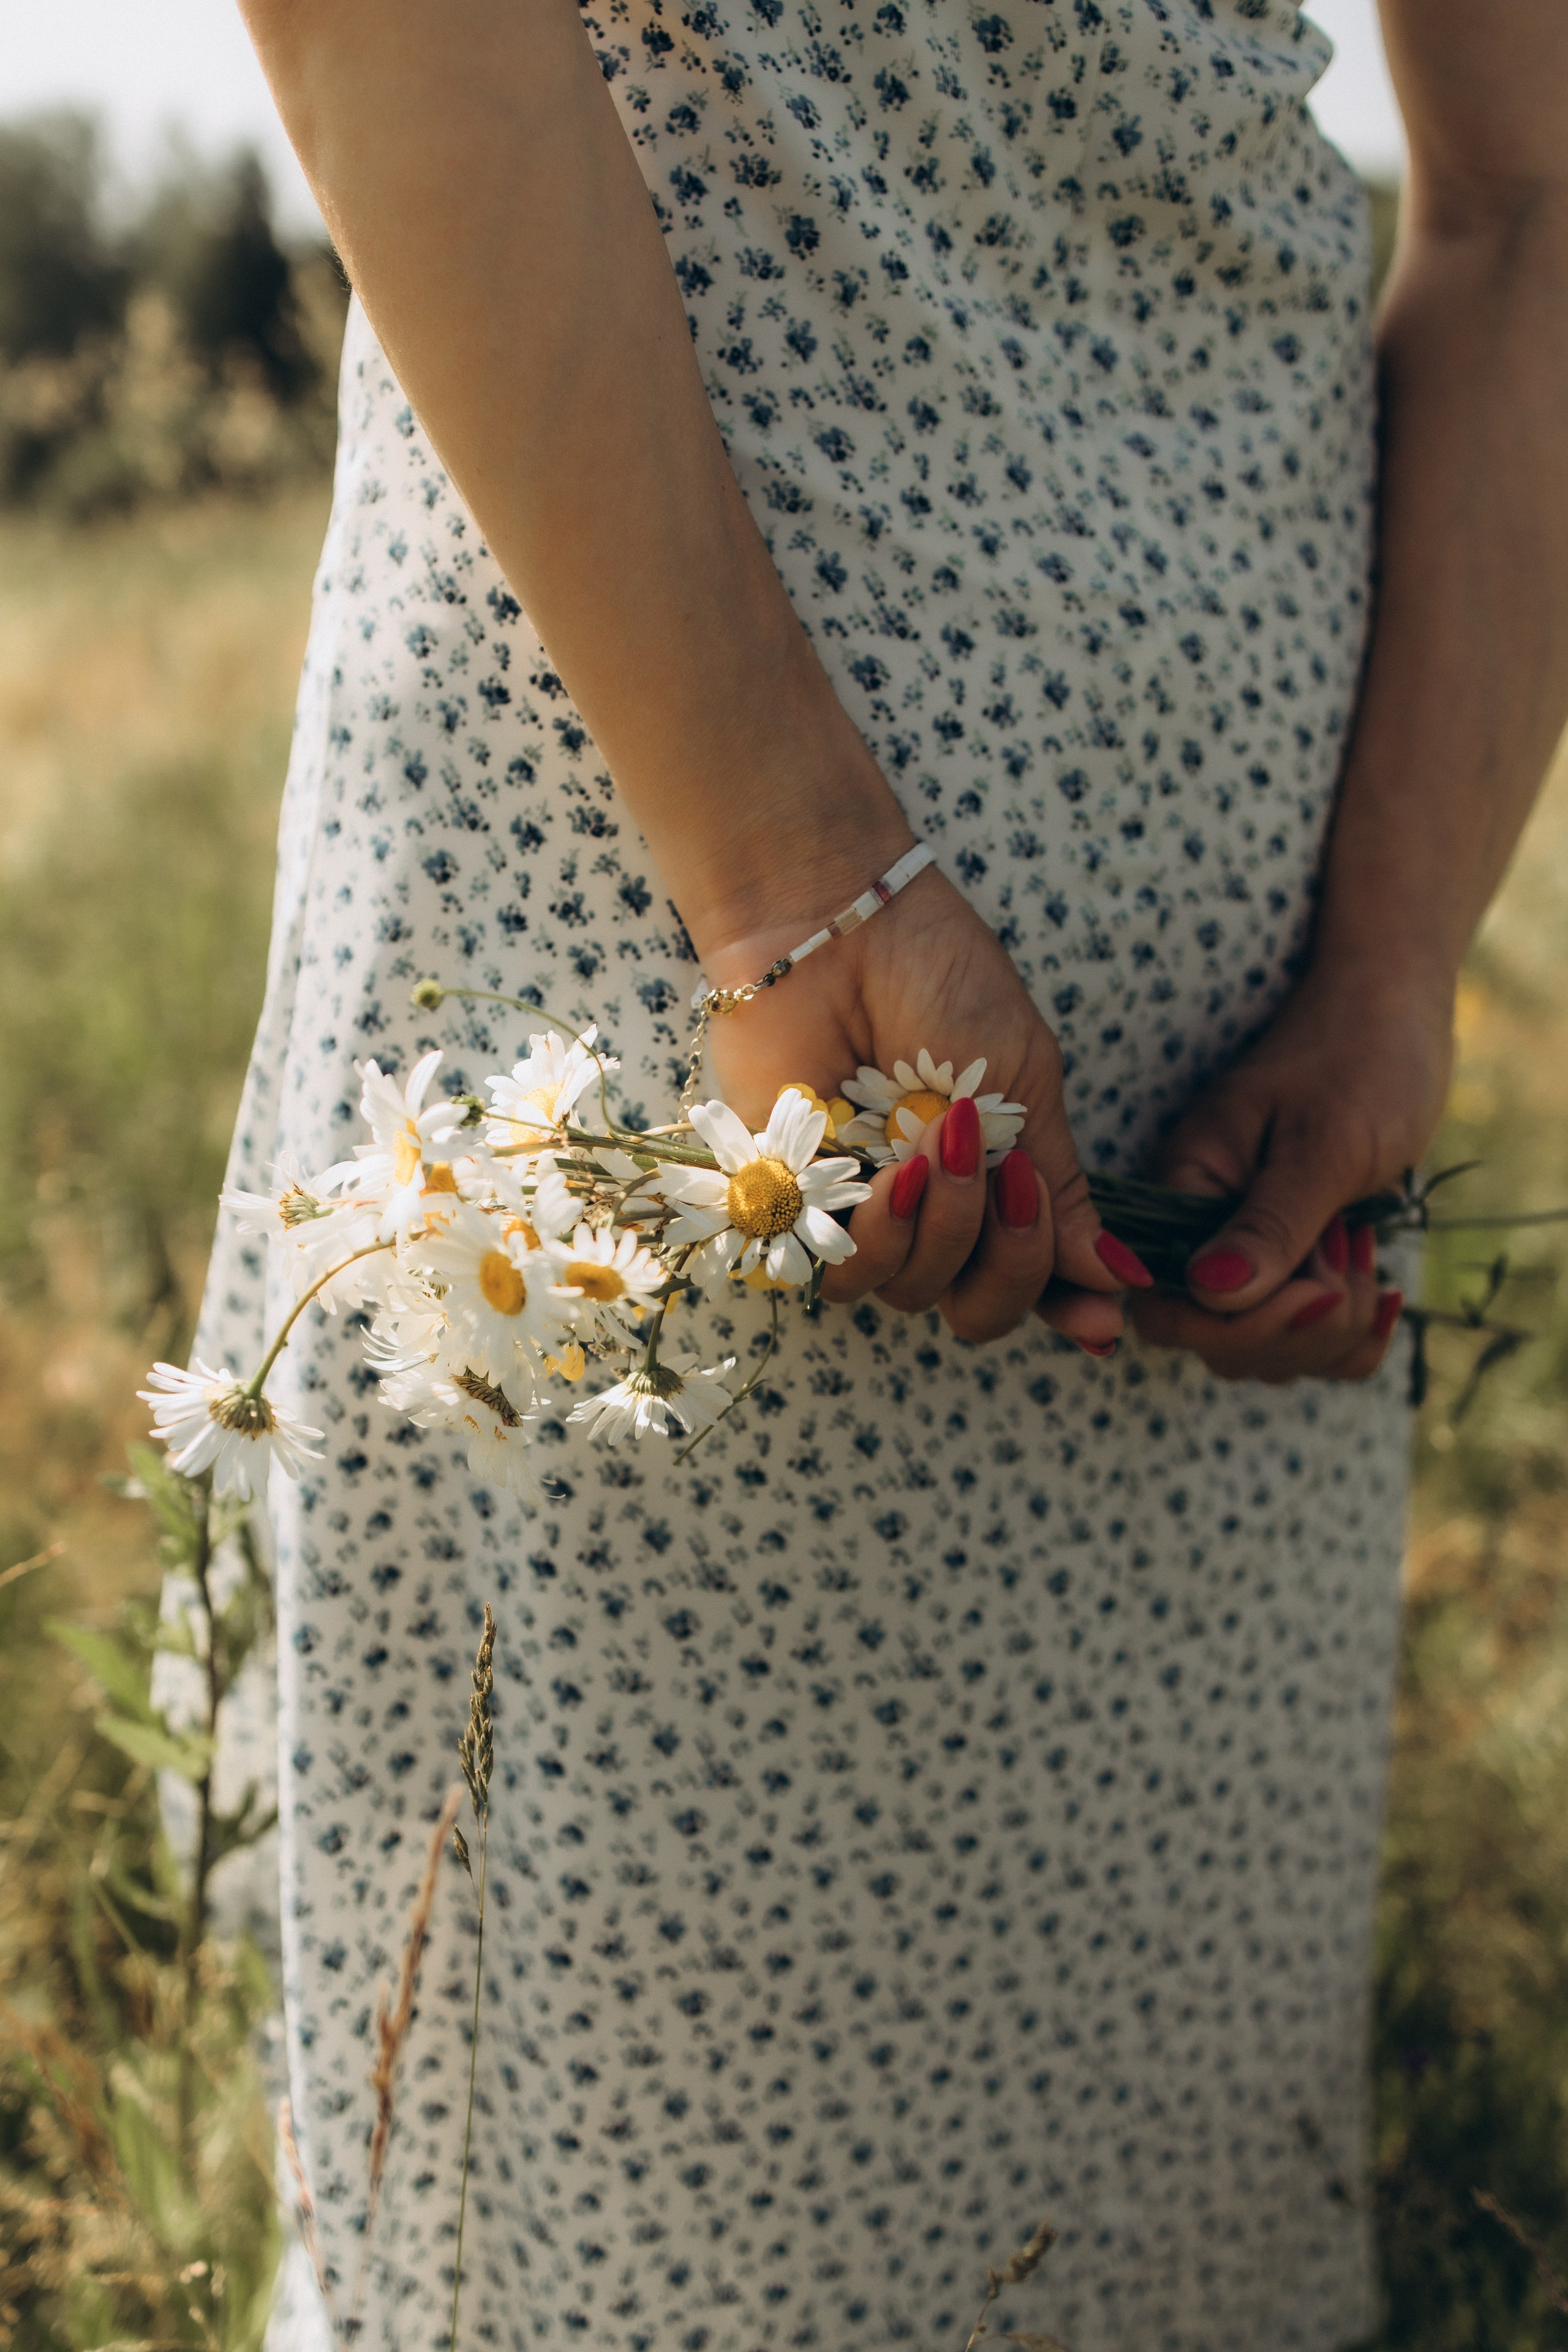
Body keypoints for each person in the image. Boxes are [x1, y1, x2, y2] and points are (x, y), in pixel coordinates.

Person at [201, 0, 1568, 2342]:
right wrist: (789, 878)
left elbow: (1542, 187)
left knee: (1153, 2183)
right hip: (658, 924)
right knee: (644, 2217)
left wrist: (1395, 956)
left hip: (1248, 1027)